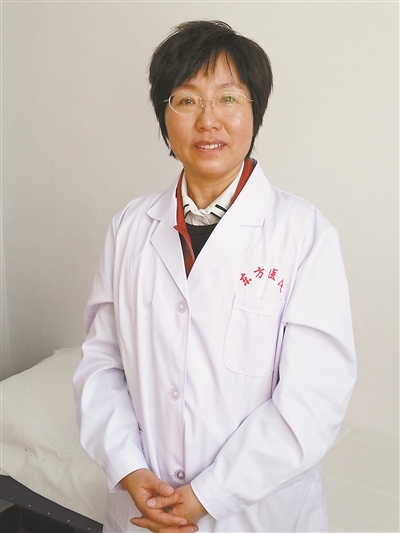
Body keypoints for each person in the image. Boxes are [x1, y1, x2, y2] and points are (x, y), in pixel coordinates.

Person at [73, 20, 356, 533]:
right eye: (187, 100)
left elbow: (314, 399)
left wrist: (210, 494)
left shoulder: (304, 234)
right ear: (164, 115)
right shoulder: (129, 228)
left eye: (228, 98)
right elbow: (101, 366)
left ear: (254, 112)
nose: (209, 121)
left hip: (259, 514)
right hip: (142, 507)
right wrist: (128, 467)